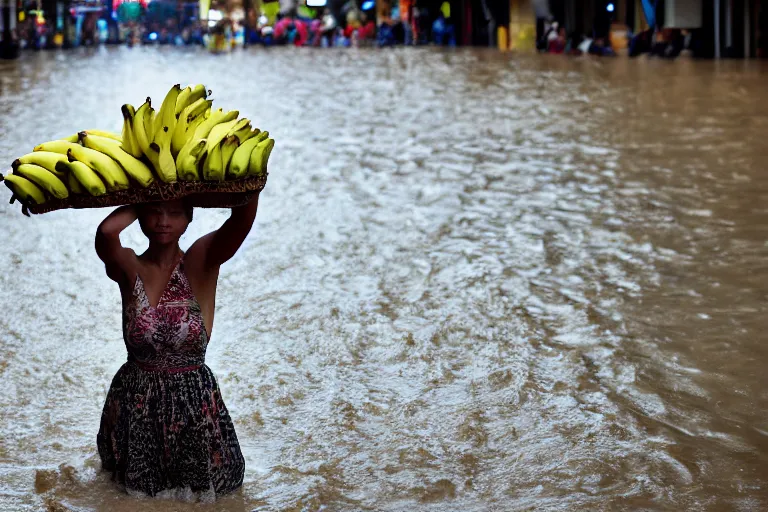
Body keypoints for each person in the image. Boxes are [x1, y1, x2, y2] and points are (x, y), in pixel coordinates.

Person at [94, 193, 260, 500]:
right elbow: (107, 233)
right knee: (134, 497)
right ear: (141, 215)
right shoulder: (128, 268)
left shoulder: (200, 262)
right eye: (154, 212)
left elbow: (240, 220)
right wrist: (144, 193)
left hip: (192, 404)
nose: (163, 222)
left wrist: (251, 186)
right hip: (136, 402)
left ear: (189, 217)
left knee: (203, 500)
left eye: (174, 213)